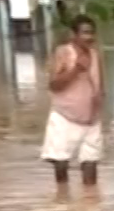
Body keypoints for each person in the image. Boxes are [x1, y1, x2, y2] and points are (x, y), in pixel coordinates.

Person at [43, 15, 105, 190]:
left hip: (91, 119)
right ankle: (62, 199)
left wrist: (100, 104)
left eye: (92, 33)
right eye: (85, 33)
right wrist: (76, 69)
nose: (89, 37)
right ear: (74, 34)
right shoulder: (63, 52)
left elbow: (101, 85)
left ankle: (90, 202)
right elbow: (53, 85)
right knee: (61, 162)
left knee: (91, 162)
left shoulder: (95, 54)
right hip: (65, 116)